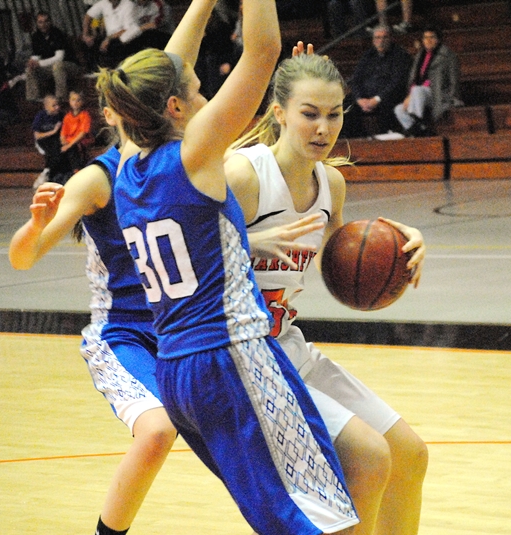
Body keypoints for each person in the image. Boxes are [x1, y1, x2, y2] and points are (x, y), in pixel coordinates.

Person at [104, 0, 359, 533]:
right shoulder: (194, 157)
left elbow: (165, 75)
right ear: (175, 108)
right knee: (320, 514)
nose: (204, 95)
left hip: (175, 369)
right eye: (196, 92)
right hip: (233, 358)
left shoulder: (128, 161)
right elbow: (264, 51)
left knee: (282, 513)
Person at [8, 3, 244, 535]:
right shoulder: (99, 177)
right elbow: (24, 257)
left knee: (245, 440)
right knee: (157, 431)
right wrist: (34, 224)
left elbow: (172, 64)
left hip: (189, 331)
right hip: (127, 334)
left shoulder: (175, 155)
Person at [225, 47, 428, 535]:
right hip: (238, 356)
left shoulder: (330, 183)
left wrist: (398, 242)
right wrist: (250, 241)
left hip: (286, 345)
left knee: (409, 456)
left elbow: (343, 252)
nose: (323, 128)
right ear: (279, 114)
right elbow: (179, 255)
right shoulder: (244, 175)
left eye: (334, 114)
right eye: (309, 114)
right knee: (369, 459)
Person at [341, 24, 411, 138]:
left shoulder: (400, 55)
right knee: (345, 105)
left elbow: (397, 82)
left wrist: (377, 99)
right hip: (365, 98)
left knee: (388, 103)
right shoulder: (368, 55)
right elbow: (356, 79)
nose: (381, 41)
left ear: (391, 38)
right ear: (373, 40)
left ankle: (386, 136)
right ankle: (357, 138)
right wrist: (359, 99)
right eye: (377, 38)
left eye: (384, 37)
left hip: (387, 96)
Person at [394, 25, 462, 137]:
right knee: (398, 109)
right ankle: (420, 130)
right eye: (425, 37)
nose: (428, 40)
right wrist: (409, 96)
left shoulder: (448, 56)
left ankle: (416, 120)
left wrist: (453, 98)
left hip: (439, 93)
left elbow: (454, 79)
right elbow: (415, 79)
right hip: (419, 94)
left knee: (417, 90)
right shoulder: (419, 55)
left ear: (438, 39)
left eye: (432, 37)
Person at [25, 11, 83, 102]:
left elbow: (59, 57)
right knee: (30, 69)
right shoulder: (36, 36)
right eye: (40, 22)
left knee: (58, 66)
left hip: (69, 65)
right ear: (37, 23)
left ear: (50, 22)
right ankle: (33, 99)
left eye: (46, 21)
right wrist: (32, 62)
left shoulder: (57, 34)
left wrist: (39, 63)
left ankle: (60, 98)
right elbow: (36, 55)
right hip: (50, 67)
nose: (43, 24)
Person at [81, 0, 141, 69]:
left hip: (124, 37)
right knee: (87, 44)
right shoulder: (104, 3)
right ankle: (93, 72)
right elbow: (88, 16)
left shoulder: (128, 5)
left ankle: (115, 72)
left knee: (112, 46)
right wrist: (86, 34)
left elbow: (128, 30)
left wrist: (109, 39)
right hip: (109, 37)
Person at [31, 94, 66, 187]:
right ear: (46, 107)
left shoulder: (61, 115)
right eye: (53, 106)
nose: (57, 107)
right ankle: (47, 174)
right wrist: (53, 131)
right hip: (43, 140)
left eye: (58, 105)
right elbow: (37, 135)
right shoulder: (40, 116)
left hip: (56, 140)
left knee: (59, 151)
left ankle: (48, 173)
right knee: (53, 152)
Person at [59, 90, 94, 179]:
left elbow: (82, 133)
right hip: (69, 141)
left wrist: (69, 145)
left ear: (82, 102)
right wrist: (64, 142)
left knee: (72, 149)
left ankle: (76, 172)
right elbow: (63, 133)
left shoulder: (85, 115)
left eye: (78, 100)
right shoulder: (67, 116)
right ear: (69, 101)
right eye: (73, 100)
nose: (75, 102)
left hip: (81, 141)